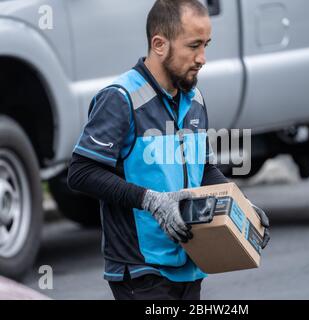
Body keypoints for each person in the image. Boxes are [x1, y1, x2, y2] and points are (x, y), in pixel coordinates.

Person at [67, 0, 270, 300]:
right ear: (159, 44)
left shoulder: (195, 99)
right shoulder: (120, 98)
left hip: (192, 262)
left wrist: (239, 205)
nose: (202, 58)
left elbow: (204, 171)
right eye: (193, 46)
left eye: (206, 45)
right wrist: (152, 201)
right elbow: (81, 172)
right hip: (141, 270)